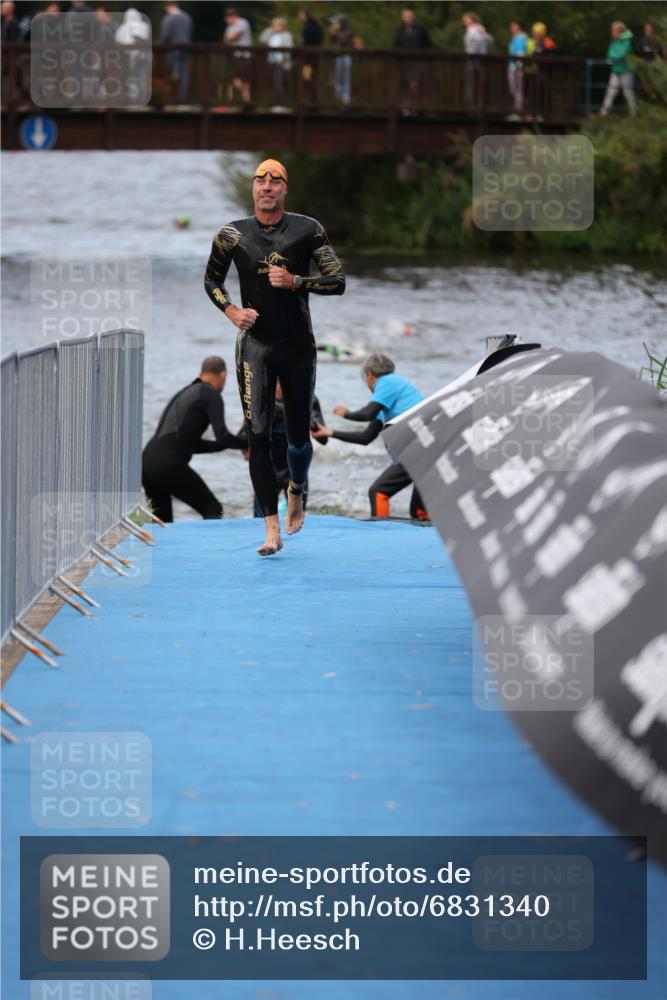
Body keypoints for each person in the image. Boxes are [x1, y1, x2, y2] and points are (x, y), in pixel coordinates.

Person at [204, 158, 345, 556]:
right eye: (260, 181)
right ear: (253, 188)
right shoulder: (232, 235)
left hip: (299, 347)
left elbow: (338, 280)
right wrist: (231, 311)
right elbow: (211, 279)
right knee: (259, 436)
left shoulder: (307, 229)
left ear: (285, 189)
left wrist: (297, 281)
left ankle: (296, 488)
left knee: (298, 440)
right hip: (256, 347)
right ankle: (270, 527)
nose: (266, 187)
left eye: (275, 181)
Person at [312, 354, 428, 521]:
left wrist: (346, 414)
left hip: (419, 450)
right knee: (419, 513)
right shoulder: (389, 401)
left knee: (378, 491)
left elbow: (368, 413)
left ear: (369, 376)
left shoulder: (387, 381)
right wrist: (330, 432)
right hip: (428, 449)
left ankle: (381, 534)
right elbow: (366, 437)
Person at [142, 356, 245, 523]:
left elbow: (192, 445)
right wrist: (249, 444)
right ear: (223, 375)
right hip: (168, 464)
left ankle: (164, 550)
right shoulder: (211, 394)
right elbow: (223, 436)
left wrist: (224, 446)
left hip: (147, 464)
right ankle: (212, 549)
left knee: (163, 524)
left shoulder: (185, 392)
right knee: (213, 509)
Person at [251, 380, 326, 517]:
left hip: (294, 471)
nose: (279, 389)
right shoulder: (264, 400)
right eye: (277, 383)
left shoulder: (308, 399)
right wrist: (246, 447)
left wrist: (312, 424)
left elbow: (323, 438)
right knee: (259, 518)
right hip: (268, 467)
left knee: (297, 516)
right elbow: (249, 428)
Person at [395, 8, 431, 112]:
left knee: (414, 85)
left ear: (413, 17)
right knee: (405, 85)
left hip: (417, 61)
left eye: (409, 16)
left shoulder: (420, 29)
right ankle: (406, 107)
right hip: (404, 61)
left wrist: (424, 55)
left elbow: (427, 44)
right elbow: (396, 44)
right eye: (405, 16)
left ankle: (414, 107)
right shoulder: (400, 30)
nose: (408, 18)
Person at [599, 21, 637, 117]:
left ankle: (634, 114)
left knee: (628, 93)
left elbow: (621, 54)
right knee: (611, 91)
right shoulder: (614, 42)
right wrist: (613, 57)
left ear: (619, 31)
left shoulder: (626, 42)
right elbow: (609, 54)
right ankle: (603, 113)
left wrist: (613, 58)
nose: (612, 33)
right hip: (615, 70)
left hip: (626, 71)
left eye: (614, 31)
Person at [159, 1, 193, 103]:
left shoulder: (169, 18)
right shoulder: (187, 17)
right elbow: (190, 32)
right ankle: (183, 97)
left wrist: (162, 44)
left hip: (172, 49)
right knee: (184, 73)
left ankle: (173, 98)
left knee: (174, 73)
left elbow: (165, 36)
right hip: (185, 48)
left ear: (167, 7)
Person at [223, 6, 253, 105]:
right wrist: (229, 37)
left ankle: (247, 103)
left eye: (228, 17)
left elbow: (232, 37)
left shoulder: (242, 23)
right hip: (235, 56)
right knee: (237, 81)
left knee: (245, 82)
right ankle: (243, 102)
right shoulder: (230, 26)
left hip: (244, 56)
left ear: (233, 16)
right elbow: (226, 38)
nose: (226, 19)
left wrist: (230, 37)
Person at [462, 12, 492, 107]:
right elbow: (490, 40)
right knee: (476, 82)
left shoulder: (475, 29)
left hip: (474, 58)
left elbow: (485, 41)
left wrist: (473, 53)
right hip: (477, 58)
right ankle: (474, 103)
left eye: (466, 19)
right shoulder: (477, 29)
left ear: (471, 19)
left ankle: (471, 104)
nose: (464, 21)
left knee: (472, 82)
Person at [265, 16, 293, 109]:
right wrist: (270, 30)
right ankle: (276, 102)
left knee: (280, 83)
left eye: (278, 24)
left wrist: (283, 59)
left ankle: (283, 103)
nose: (276, 26)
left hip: (281, 63)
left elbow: (289, 49)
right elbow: (262, 39)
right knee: (273, 83)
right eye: (274, 24)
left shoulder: (287, 35)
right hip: (271, 62)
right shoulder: (271, 34)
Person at [329, 13, 354, 106]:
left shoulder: (348, 32)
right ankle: (339, 101)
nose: (334, 25)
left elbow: (340, 44)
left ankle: (345, 102)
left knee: (345, 81)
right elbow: (334, 44)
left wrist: (334, 33)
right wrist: (333, 34)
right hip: (338, 58)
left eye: (336, 23)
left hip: (345, 58)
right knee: (336, 81)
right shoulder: (339, 33)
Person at [298, 7, 322, 103]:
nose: (299, 17)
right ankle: (312, 101)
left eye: (300, 15)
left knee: (308, 78)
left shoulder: (310, 27)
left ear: (305, 15)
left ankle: (313, 101)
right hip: (312, 56)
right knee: (309, 78)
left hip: (310, 57)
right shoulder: (314, 25)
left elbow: (307, 42)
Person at [506, 20, 528, 120]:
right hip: (512, 66)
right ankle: (517, 111)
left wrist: (520, 67)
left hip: (516, 67)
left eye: (514, 26)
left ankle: (518, 112)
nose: (512, 28)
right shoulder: (515, 38)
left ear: (519, 27)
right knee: (514, 89)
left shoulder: (520, 38)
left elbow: (520, 53)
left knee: (517, 90)